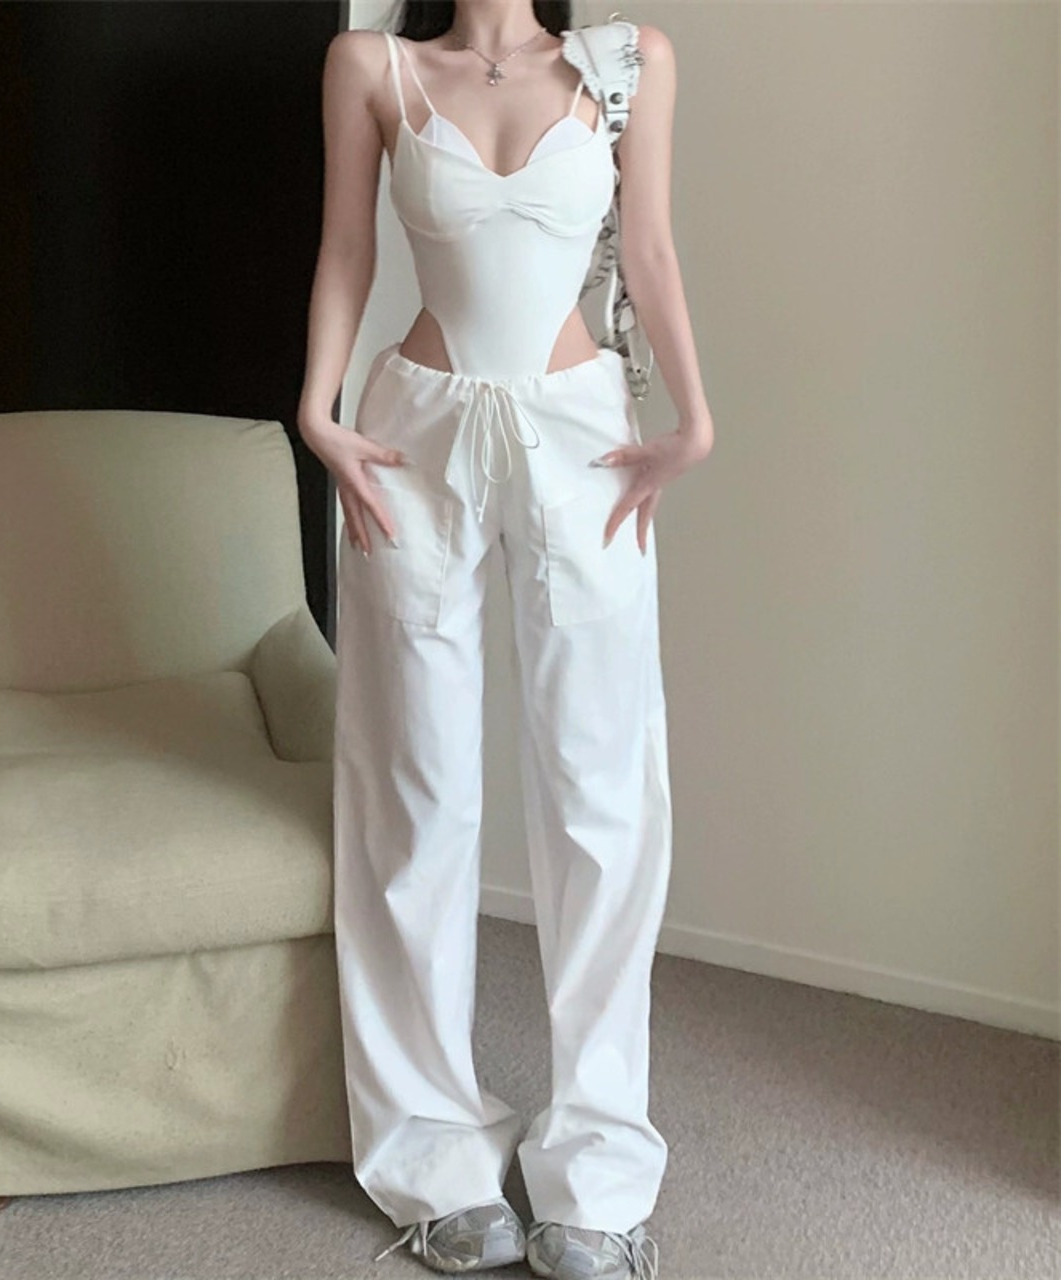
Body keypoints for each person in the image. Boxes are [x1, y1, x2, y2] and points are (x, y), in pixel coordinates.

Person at [297, 2, 712, 1276]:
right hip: (411, 436)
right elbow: (347, 247)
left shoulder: (627, 63)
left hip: (581, 435)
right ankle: (430, 1152)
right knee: (415, 788)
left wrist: (693, 415)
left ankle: (597, 1175)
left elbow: (649, 245)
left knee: (598, 793)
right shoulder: (372, 64)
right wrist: (314, 409)